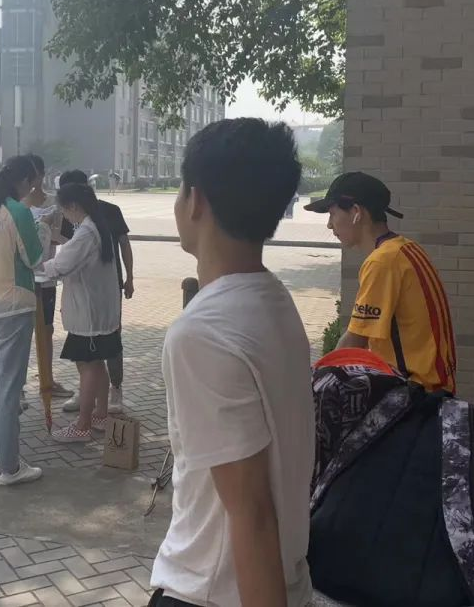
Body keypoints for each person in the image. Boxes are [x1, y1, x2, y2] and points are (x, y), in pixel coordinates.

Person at [150, 118, 313, 607]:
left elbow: (252, 513)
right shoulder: (275, 300)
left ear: (195, 200)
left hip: (211, 592)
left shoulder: (202, 334)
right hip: (281, 580)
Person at [304, 171, 458, 393]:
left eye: (332, 214)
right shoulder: (406, 248)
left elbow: (354, 342)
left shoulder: (383, 261)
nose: (329, 225)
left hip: (415, 396)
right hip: (433, 391)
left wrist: (315, 381)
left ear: (356, 212)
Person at [0, 156, 54, 486]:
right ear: (24, 182)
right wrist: (43, 229)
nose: (33, 189)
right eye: (32, 184)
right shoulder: (18, 212)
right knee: (9, 388)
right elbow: (34, 259)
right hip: (15, 306)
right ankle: (10, 467)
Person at [40, 182, 122, 442]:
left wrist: (38, 266)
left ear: (73, 206)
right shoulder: (97, 226)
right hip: (99, 312)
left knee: (88, 366)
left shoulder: (86, 232)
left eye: (64, 210)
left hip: (89, 314)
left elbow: (61, 265)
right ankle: (100, 415)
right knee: (96, 364)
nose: (64, 216)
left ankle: (83, 425)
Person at [57, 169, 134, 414]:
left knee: (104, 345)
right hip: (84, 291)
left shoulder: (106, 213)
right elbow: (68, 248)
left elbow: (124, 244)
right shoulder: (76, 219)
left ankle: (114, 390)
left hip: (104, 290)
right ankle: (91, 399)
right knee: (89, 353)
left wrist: (130, 277)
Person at [21, 155, 74, 399]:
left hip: (46, 275)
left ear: (42, 175)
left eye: (34, 175)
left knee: (46, 329)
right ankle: (18, 384)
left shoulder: (54, 202)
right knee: (21, 330)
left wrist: (47, 230)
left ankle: (47, 378)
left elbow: (61, 238)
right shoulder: (18, 204)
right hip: (22, 277)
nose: (31, 181)